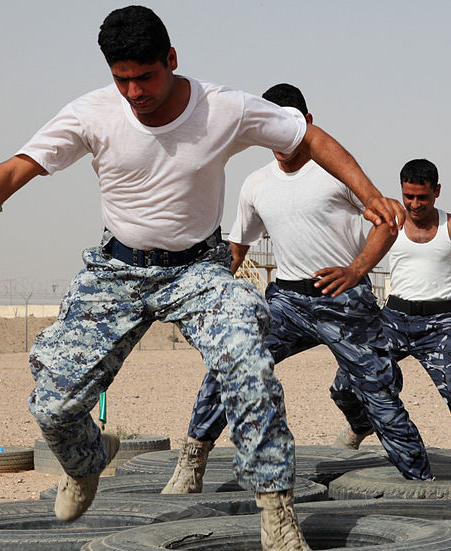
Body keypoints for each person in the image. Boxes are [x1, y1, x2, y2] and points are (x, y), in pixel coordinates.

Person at [0, 7, 405, 551]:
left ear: (172, 61)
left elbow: (308, 136)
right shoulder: (92, 114)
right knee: (53, 403)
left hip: (198, 270)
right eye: (122, 79)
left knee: (249, 361)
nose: (134, 92)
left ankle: (276, 508)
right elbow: (16, 169)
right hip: (117, 271)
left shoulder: (222, 106)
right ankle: (85, 462)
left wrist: (370, 196)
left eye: (145, 77)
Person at [163, 85, 432, 496]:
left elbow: (386, 222)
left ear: (307, 123)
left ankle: (420, 481)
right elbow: (237, 247)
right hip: (286, 301)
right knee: (230, 363)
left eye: (291, 123)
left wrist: (357, 270)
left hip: (342, 300)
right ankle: (191, 463)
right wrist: (210, 293)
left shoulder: (336, 172)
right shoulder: (255, 184)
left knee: (377, 389)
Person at [329, 158, 451, 460]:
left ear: (437, 191)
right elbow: (363, 261)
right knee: (344, 384)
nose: (415, 204)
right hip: (393, 319)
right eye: (409, 197)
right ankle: (360, 424)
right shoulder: (390, 224)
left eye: (423, 197)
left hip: (439, 323)